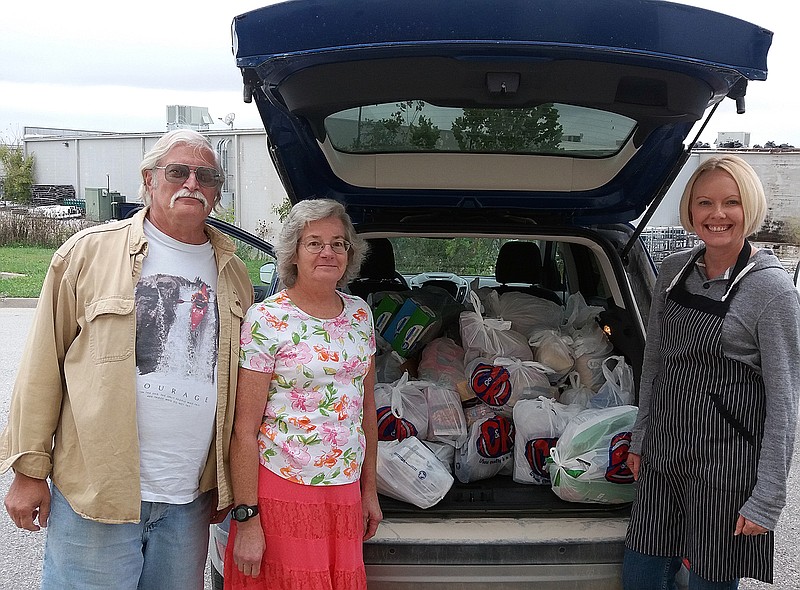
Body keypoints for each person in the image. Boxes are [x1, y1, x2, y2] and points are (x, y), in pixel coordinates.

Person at [0, 129, 254, 589]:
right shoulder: (87, 253)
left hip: (188, 503)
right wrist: (28, 471)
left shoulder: (234, 271)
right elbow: (41, 367)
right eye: (178, 171)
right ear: (149, 180)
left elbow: (235, 386)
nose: (192, 183)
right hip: (99, 498)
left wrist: (226, 479)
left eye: (207, 176)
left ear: (218, 191)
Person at [623, 155, 800, 589]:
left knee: (708, 583)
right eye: (704, 203)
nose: (717, 215)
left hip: (726, 467)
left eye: (731, 203)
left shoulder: (771, 290)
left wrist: (767, 499)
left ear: (750, 208)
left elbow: (785, 402)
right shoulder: (672, 272)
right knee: (642, 576)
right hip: (664, 455)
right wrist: (641, 439)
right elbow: (656, 365)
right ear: (691, 210)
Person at [225, 198, 382, 589]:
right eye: (314, 242)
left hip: (343, 491)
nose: (328, 252)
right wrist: (247, 519)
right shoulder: (266, 319)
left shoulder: (361, 314)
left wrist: (369, 491)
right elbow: (244, 430)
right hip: (282, 487)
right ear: (293, 252)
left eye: (338, 243)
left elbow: (366, 412)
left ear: (350, 253)